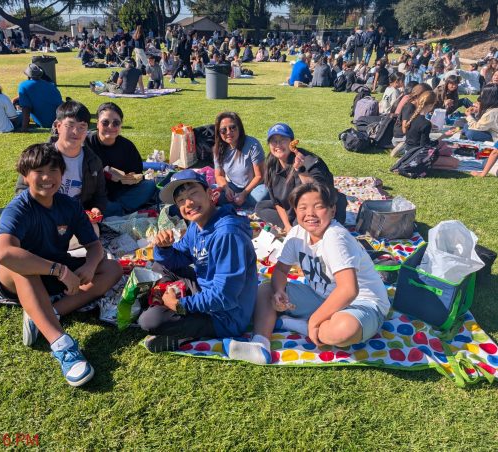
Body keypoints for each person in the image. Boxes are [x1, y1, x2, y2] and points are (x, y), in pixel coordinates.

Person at [0, 143, 122, 386]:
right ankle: (61, 345)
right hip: (13, 278)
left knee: (112, 267)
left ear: (62, 174)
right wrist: (59, 270)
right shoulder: (18, 208)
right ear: (25, 175)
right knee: (23, 266)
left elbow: (94, 246)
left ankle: (46, 314)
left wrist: (90, 267)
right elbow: (4, 254)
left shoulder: (68, 204)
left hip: (53, 272)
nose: (47, 178)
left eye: (54, 170)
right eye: (39, 171)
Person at [225, 182, 391, 364]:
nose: (310, 214)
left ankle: (302, 324)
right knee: (265, 290)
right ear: (295, 211)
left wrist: (314, 321)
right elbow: (281, 269)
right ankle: (260, 343)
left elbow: (349, 290)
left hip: (362, 303)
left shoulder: (335, 237)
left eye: (318, 207)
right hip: (320, 297)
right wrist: (280, 291)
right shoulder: (297, 233)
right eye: (303, 207)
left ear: (332, 210)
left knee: (344, 330)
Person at [137, 170, 258, 352]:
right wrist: (163, 247)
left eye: (193, 193)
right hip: (205, 292)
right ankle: (172, 310)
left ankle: (185, 334)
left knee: (150, 320)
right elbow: (179, 257)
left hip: (226, 316)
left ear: (211, 194)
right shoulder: (197, 225)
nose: (189, 203)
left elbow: (224, 296)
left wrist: (180, 305)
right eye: (181, 200)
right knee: (159, 264)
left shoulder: (228, 234)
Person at [255, 124, 347, 232]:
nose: (278, 145)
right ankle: (293, 226)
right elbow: (277, 203)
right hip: (292, 208)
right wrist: (287, 226)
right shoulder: (271, 165)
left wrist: (300, 170)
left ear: (292, 142)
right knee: (260, 207)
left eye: (282, 140)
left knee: (303, 228)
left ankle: (299, 226)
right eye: (274, 141)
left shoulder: (308, 161)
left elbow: (319, 193)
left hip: (317, 208)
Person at [85, 102, 156, 216]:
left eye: (116, 123)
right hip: (94, 194)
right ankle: (119, 210)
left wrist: (130, 178)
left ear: (121, 125)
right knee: (95, 204)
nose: (110, 127)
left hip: (119, 192)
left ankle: (115, 210)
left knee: (149, 186)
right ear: (97, 123)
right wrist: (102, 173)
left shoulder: (127, 146)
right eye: (105, 122)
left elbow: (137, 175)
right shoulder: (85, 143)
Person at [213, 111, 268, 208]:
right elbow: (219, 175)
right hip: (233, 187)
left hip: (254, 187)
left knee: (262, 194)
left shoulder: (253, 144)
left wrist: (244, 193)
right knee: (213, 193)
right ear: (219, 132)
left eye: (232, 127)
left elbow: (260, 176)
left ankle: (238, 202)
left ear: (239, 128)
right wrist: (226, 189)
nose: (228, 132)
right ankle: (240, 202)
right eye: (223, 130)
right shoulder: (218, 149)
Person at [403, 91, 458, 170]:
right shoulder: (426, 123)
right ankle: (423, 166)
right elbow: (425, 147)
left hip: (408, 152)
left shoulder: (412, 117)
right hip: (417, 156)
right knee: (455, 162)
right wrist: (444, 136)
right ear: (431, 105)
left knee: (444, 149)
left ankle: (421, 165)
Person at [17, 63, 63, 131]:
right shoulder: (51, 85)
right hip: (58, 120)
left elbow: (26, 108)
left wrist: (24, 127)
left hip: (44, 122)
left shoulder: (23, 85)